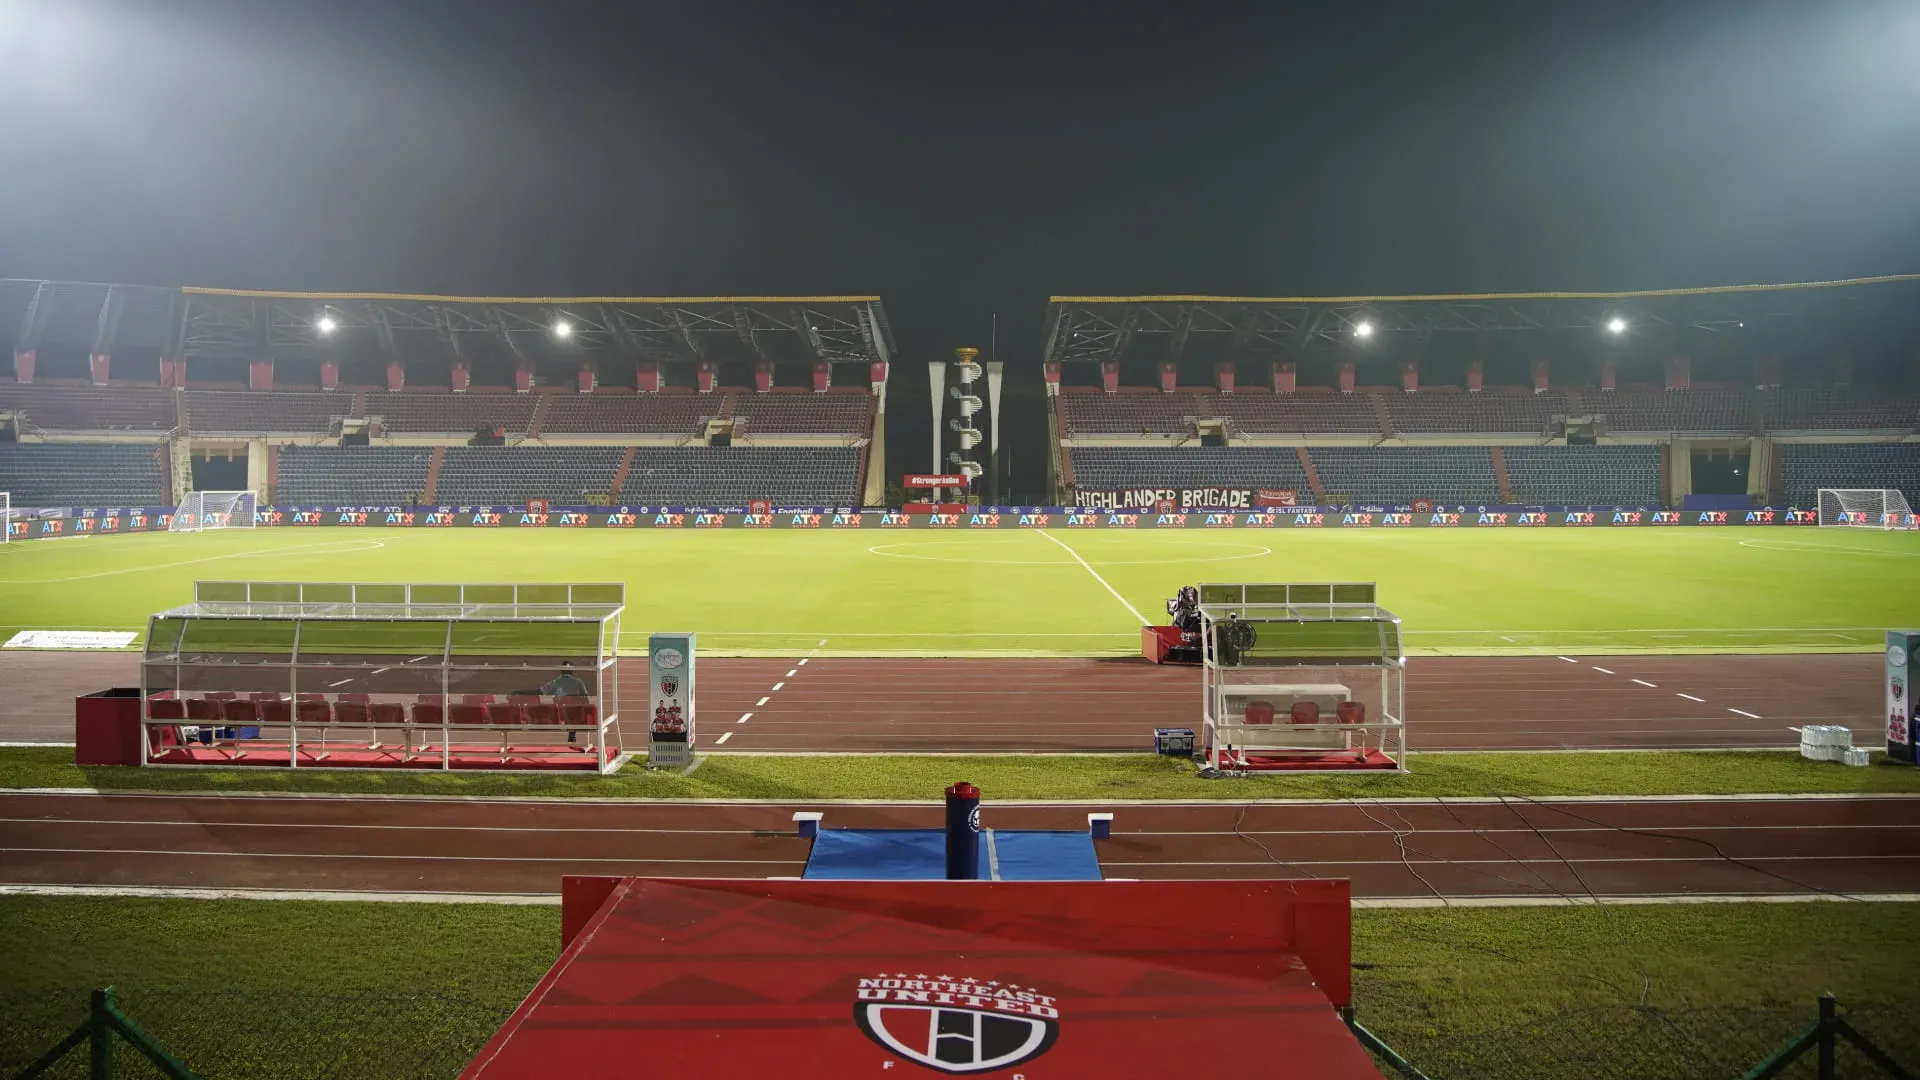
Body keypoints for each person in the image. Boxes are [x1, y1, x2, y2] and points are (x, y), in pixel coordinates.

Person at [543, 662, 590, 742]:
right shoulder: (578, 682)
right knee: (576, 705)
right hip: (575, 712)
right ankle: (572, 730)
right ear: (572, 671)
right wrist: (587, 707)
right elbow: (585, 696)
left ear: (561, 671)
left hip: (560, 710)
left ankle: (570, 728)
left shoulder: (554, 682)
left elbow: (543, 692)